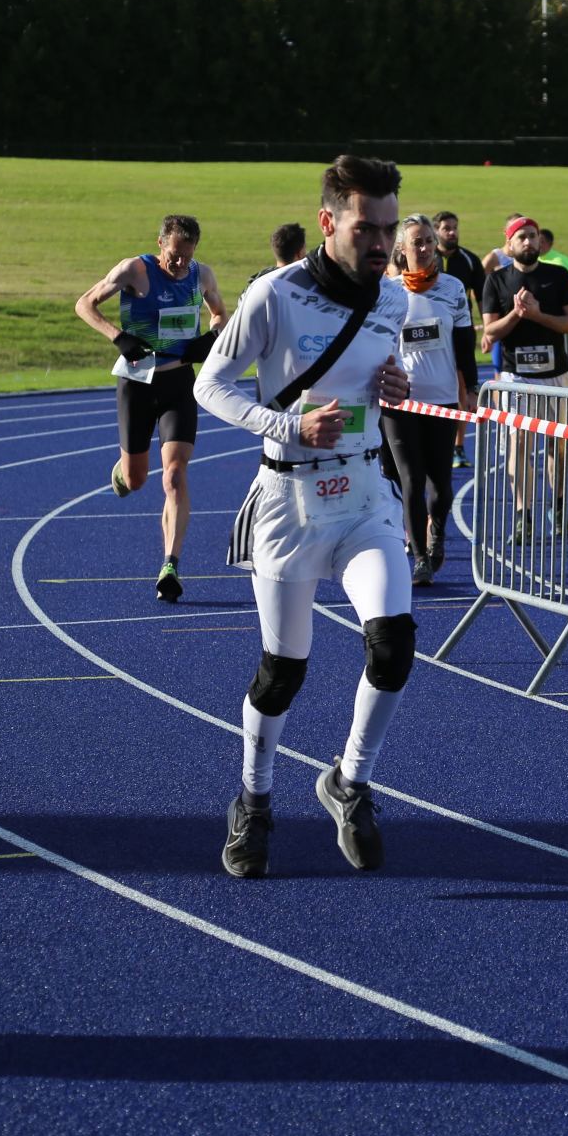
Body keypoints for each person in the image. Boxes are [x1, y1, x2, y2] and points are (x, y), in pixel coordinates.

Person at [191, 155, 416, 878]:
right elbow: (209, 386)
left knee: (394, 643)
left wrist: (394, 386)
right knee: (284, 669)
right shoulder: (275, 294)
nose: (381, 243)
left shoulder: (393, 301)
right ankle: (254, 801)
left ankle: (350, 782)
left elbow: (376, 385)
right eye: (365, 228)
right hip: (288, 499)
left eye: (388, 228)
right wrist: (287, 426)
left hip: (364, 494)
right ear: (327, 222)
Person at [75, 214, 228, 605]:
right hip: (137, 382)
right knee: (137, 479)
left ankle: (170, 566)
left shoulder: (202, 275)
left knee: (174, 476)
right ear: (160, 243)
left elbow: (220, 315)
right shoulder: (135, 271)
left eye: (187, 256)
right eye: (174, 254)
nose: (180, 263)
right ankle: (123, 470)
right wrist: (118, 337)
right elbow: (84, 304)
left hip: (179, 383)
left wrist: (210, 338)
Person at [383, 214, 476, 586]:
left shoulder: (453, 289)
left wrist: (470, 389)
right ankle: (420, 557)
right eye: (415, 242)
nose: (422, 248)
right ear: (401, 249)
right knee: (411, 478)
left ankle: (437, 532)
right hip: (400, 401)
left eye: (427, 241)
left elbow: (465, 344)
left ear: (435, 244)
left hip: (441, 398)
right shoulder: (388, 291)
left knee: (440, 481)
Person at [480, 216, 568, 539]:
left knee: (557, 445)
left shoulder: (558, 276)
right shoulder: (496, 280)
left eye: (533, 236)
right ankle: (522, 515)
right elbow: (490, 331)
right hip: (516, 377)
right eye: (521, 237)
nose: (528, 242)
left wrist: (538, 315)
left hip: (556, 376)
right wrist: (516, 314)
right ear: (509, 244)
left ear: (540, 241)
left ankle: (558, 509)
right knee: (519, 443)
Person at [432, 211, 485, 470]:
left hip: (460, 334)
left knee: (461, 389)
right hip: (432, 335)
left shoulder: (469, 260)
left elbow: (483, 298)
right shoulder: (425, 258)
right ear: (436, 231)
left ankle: (458, 446)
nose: (452, 232)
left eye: (455, 227)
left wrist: (487, 331)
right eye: (446, 228)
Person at [536, 228, 568, 295]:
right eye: (536, 241)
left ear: (550, 244)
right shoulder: (533, 258)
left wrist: (559, 290)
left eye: (542, 242)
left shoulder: (558, 262)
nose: (538, 245)